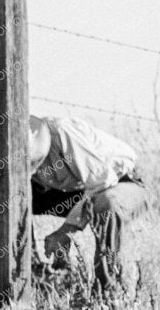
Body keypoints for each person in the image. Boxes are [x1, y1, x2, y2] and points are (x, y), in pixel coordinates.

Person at [14, 113, 147, 294]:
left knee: (107, 204)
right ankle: (30, 274)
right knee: (11, 197)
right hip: (76, 191)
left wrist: (66, 230)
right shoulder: (13, 147)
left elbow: (102, 182)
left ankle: (107, 292)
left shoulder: (63, 133)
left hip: (120, 183)